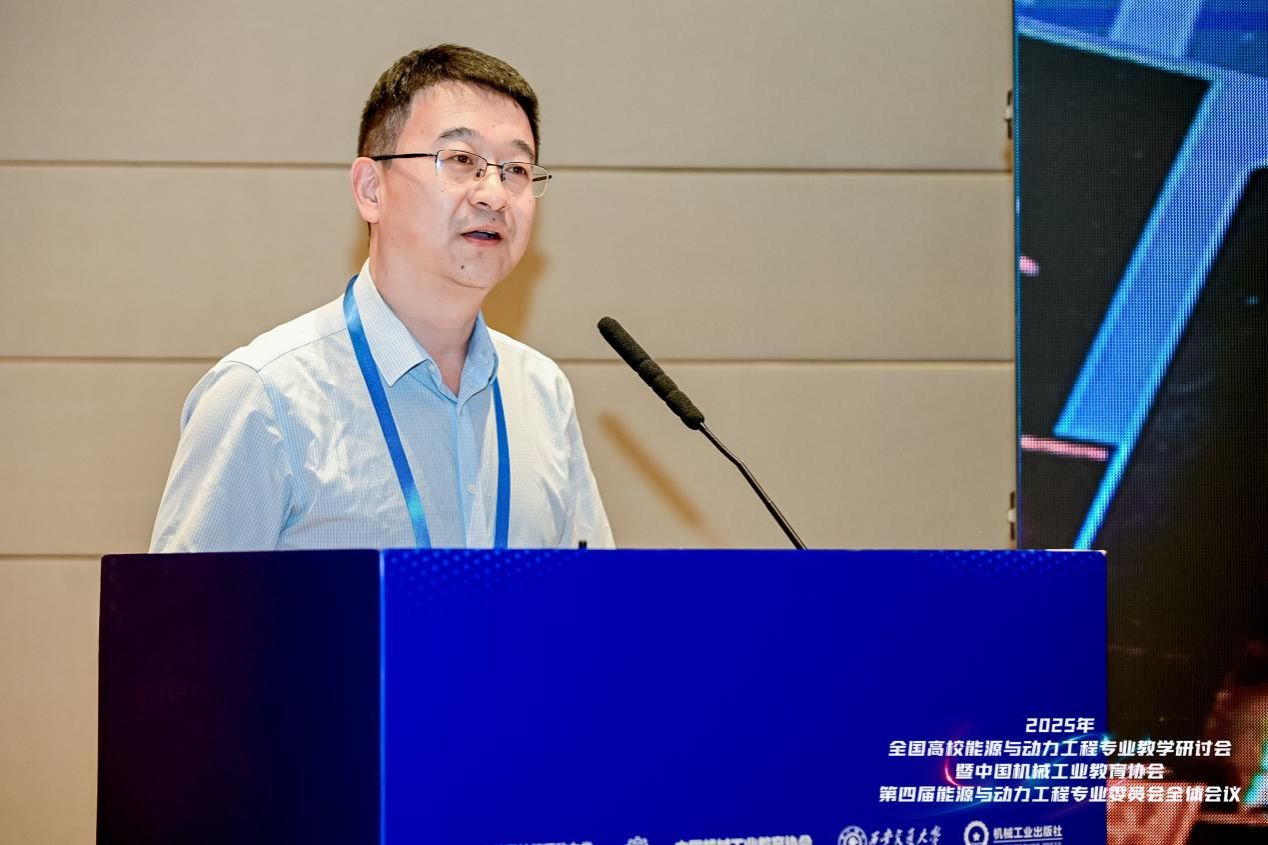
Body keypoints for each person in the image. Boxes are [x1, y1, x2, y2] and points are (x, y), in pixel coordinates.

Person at [150, 45, 613, 552]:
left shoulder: (542, 392)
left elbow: (594, 596)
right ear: (371, 189)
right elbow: (182, 607)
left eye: (516, 170)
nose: (494, 195)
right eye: (461, 160)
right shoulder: (264, 397)